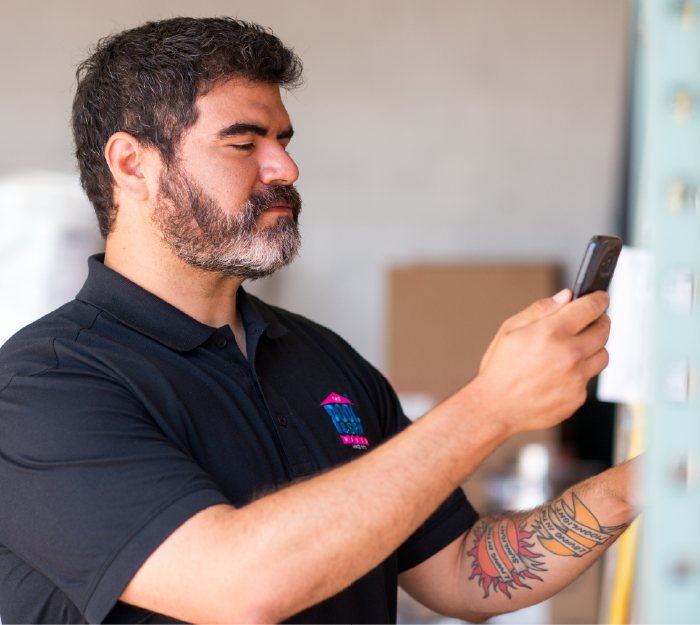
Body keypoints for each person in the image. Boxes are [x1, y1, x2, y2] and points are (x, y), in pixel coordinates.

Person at [0, 17, 635, 625]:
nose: (285, 169)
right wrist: (493, 404)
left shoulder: (318, 356)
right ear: (133, 165)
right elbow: (241, 585)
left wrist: (650, 481)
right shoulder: (44, 390)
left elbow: (462, 571)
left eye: (283, 142)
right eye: (245, 143)